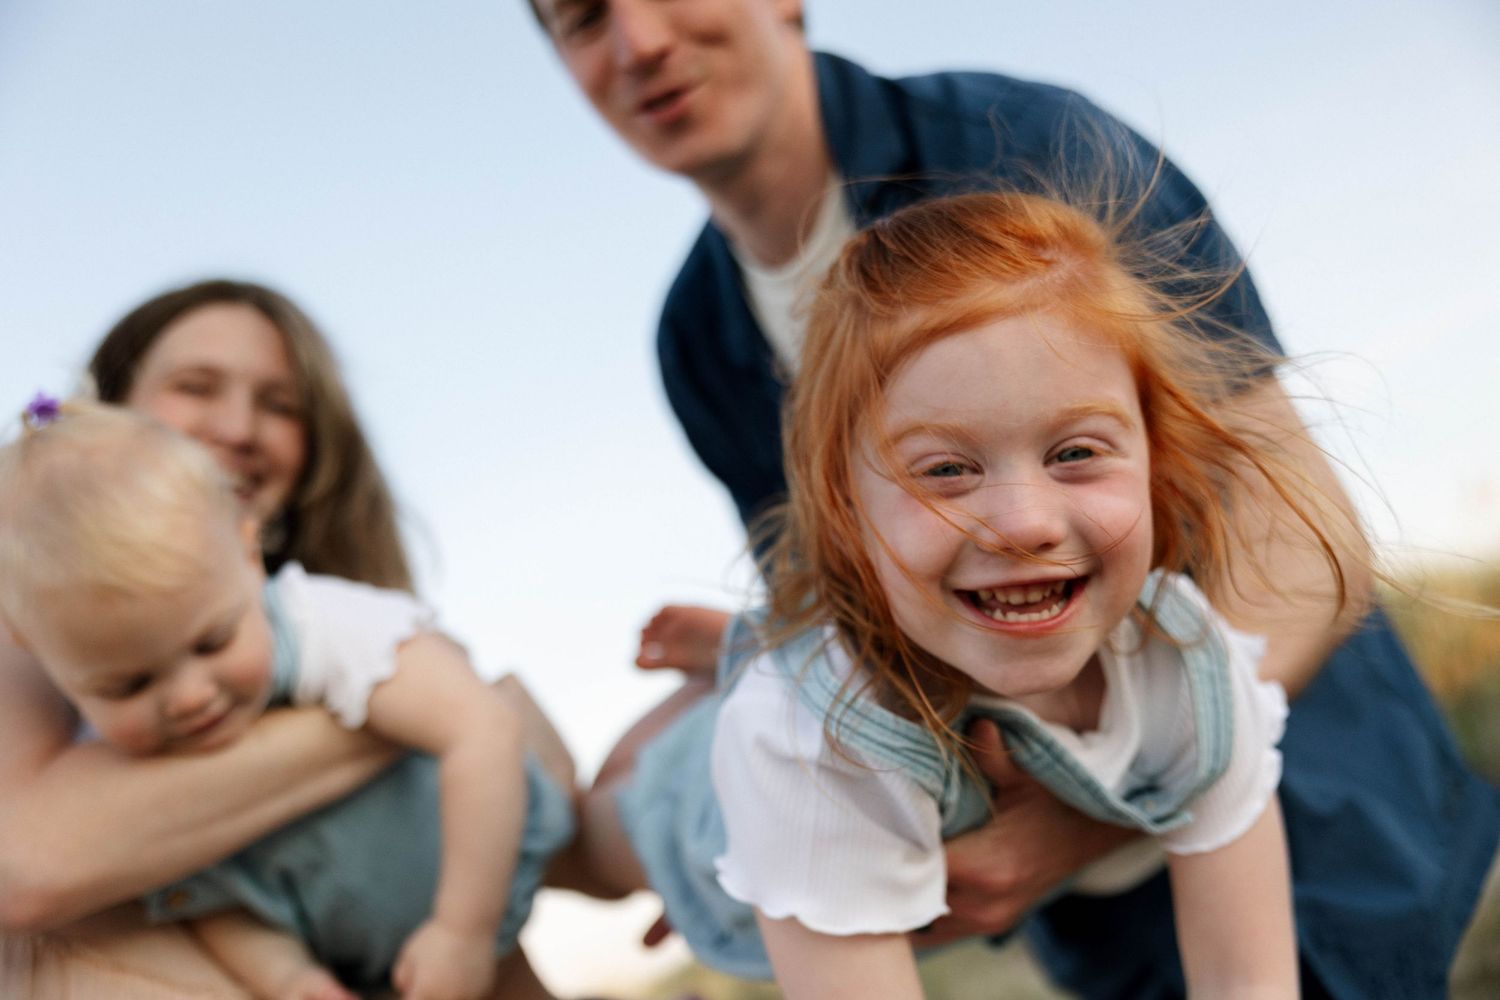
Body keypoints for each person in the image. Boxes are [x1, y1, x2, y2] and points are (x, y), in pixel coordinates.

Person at [528, 3, 1500, 995]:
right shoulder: (698, 337)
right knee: (639, 784)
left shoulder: (1029, 147)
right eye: (582, 17)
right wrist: (761, 809)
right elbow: (861, 608)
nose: (639, 41)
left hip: (1312, 819)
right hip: (1101, 911)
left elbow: (1297, 526)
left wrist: (1090, 811)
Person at [582, 190, 1314, 997]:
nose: (1024, 523)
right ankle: (728, 667)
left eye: (1075, 451)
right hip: (702, 809)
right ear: (846, 514)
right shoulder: (806, 737)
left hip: (876, 690)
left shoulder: (1192, 667)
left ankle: (746, 646)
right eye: (945, 471)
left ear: (1155, 457)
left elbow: (1250, 982)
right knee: (576, 843)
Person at [0, 280, 572, 999]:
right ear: (113, 400)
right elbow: (25, 867)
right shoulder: (33, 596)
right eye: (196, 385)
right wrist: (408, 717)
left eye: (280, 404)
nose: (239, 427)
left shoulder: (318, 617)